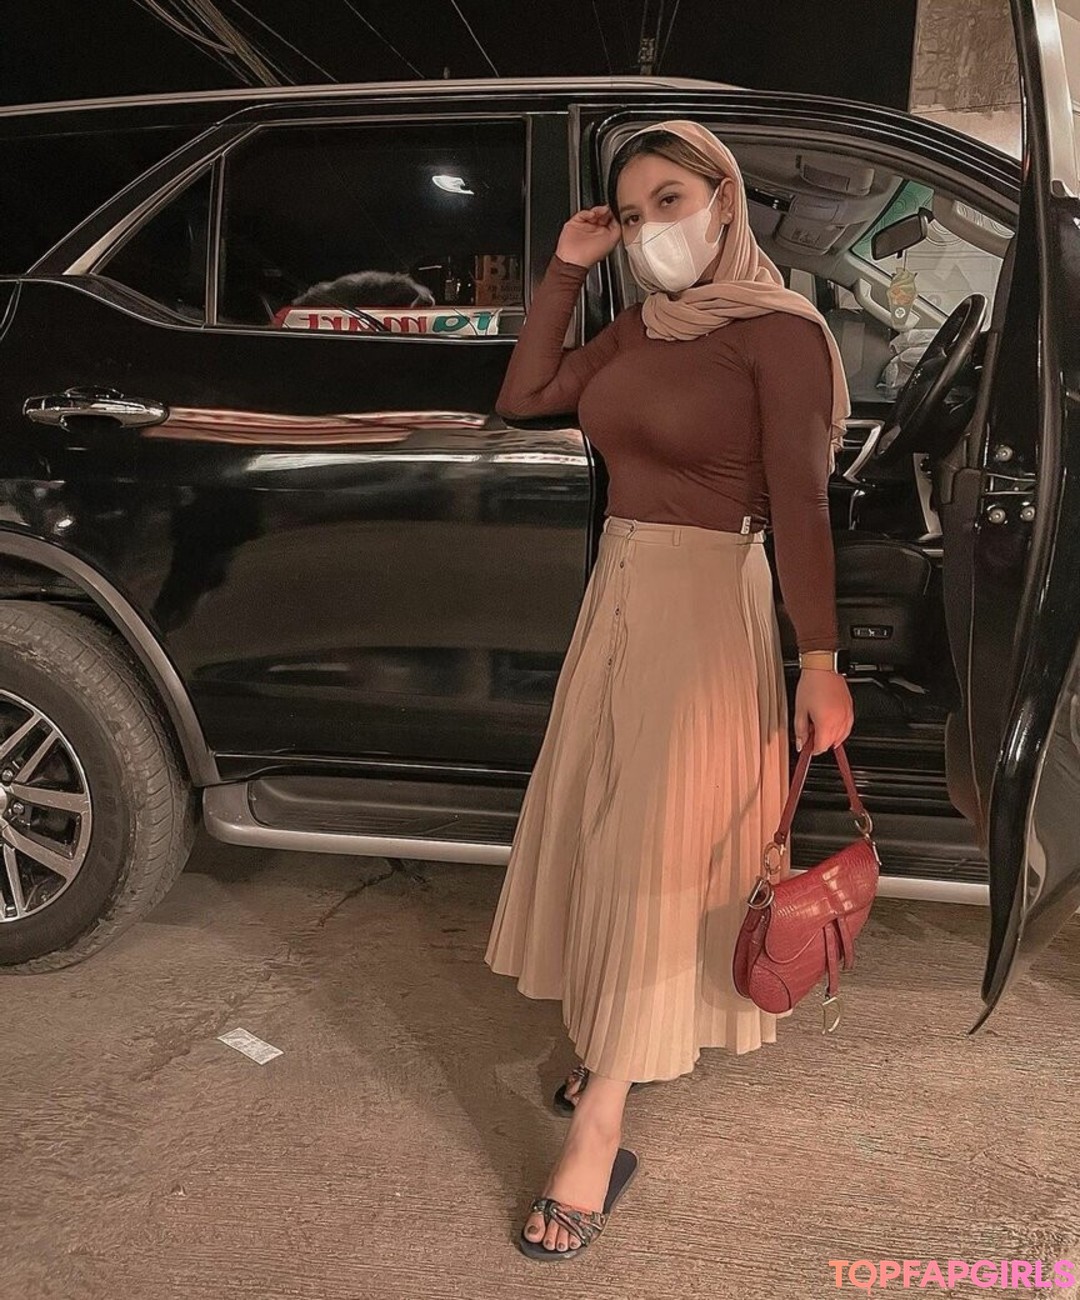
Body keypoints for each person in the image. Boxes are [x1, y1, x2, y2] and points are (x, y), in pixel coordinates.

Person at [483, 120, 856, 1262]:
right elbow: (525, 395)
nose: (653, 228)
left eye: (671, 200)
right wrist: (568, 266)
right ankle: (612, 1036)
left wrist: (820, 660)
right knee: (606, 832)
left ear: (725, 197)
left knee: (655, 848)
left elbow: (802, 503)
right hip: (618, 602)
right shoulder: (643, 324)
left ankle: (600, 1123)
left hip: (702, 614)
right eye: (636, 211)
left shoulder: (779, 333)